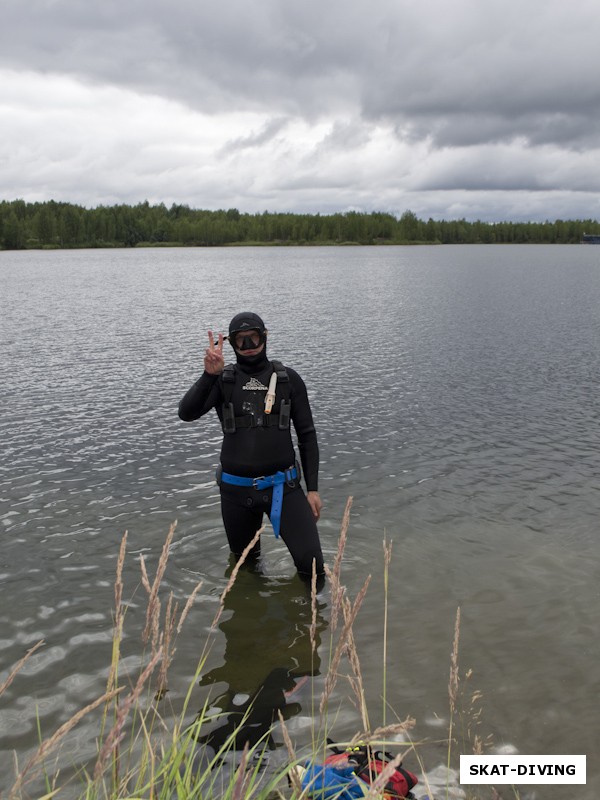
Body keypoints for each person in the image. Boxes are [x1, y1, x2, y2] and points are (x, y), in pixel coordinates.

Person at [178, 312, 324, 580]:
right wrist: (208, 376)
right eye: (240, 341)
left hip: (286, 488)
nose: (248, 346)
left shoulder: (289, 380)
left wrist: (312, 489)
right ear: (231, 344)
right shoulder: (223, 381)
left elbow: (307, 435)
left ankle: (309, 620)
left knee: (313, 568)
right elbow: (186, 413)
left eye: (253, 338)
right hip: (236, 493)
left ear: (265, 337)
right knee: (246, 570)